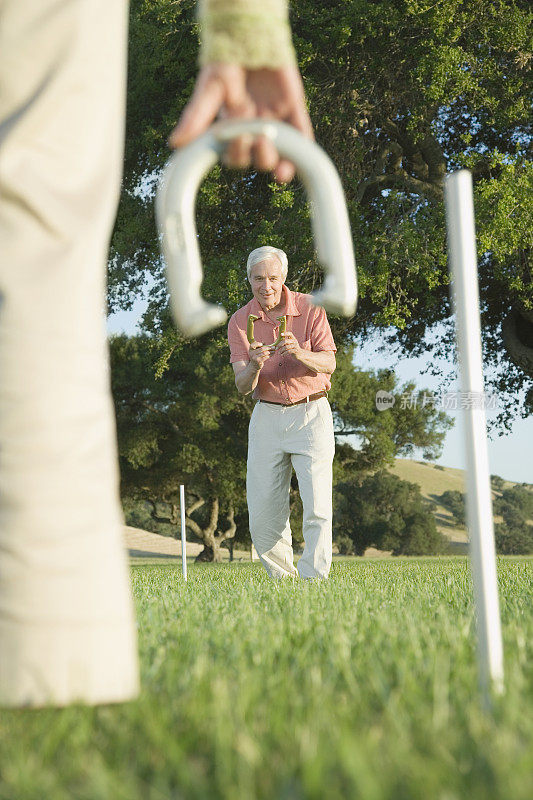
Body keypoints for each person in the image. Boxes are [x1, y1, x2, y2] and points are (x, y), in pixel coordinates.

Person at [0, 0, 313, 706]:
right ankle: (42, 652)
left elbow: (322, 365)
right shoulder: (240, 318)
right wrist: (243, 23)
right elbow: (240, 380)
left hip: (306, 415)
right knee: (33, 222)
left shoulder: (305, 313)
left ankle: (43, 648)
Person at [228, 246, 337, 580]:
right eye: (258, 278)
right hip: (267, 416)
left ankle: (314, 580)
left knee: (317, 505)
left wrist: (302, 354)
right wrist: (256, 365)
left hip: (311, 412)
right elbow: (243, 386)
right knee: (263, 511)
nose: (266, 286)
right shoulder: (239, 321)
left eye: (272, 278)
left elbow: (329, 362)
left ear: (283, 277)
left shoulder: (310, 308)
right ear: (249, 280)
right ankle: (282, 580)